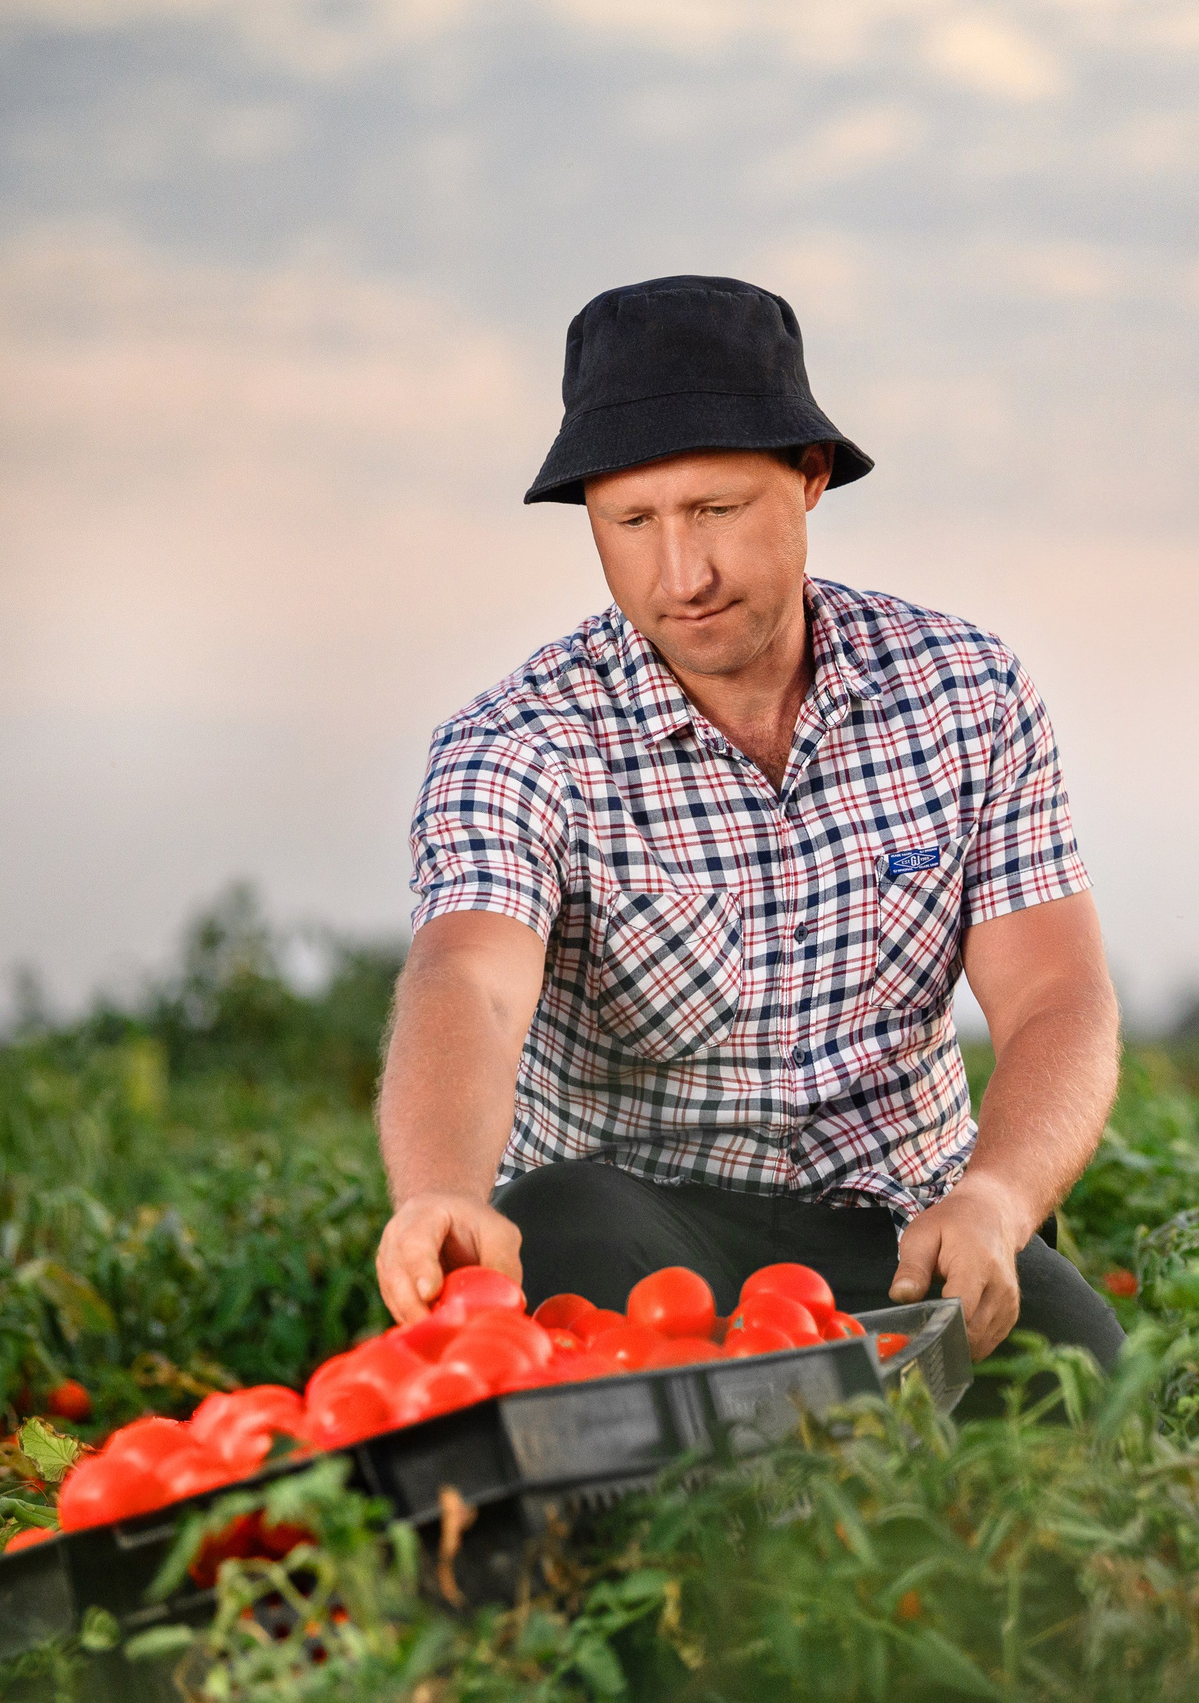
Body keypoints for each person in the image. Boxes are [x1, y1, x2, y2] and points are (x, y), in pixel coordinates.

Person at [367, 276, 1125, 1410]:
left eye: (716, 510)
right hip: (637, 1228)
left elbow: (1055, 993)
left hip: (896, 1227)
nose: (683, 574)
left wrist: (997, 1199)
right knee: (560, 1230)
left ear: (809, 478)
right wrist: (439, 1189)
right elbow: (467, 977)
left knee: (1080, 1370)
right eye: (634, 523)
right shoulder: (520, 740)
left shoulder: (963, 692)